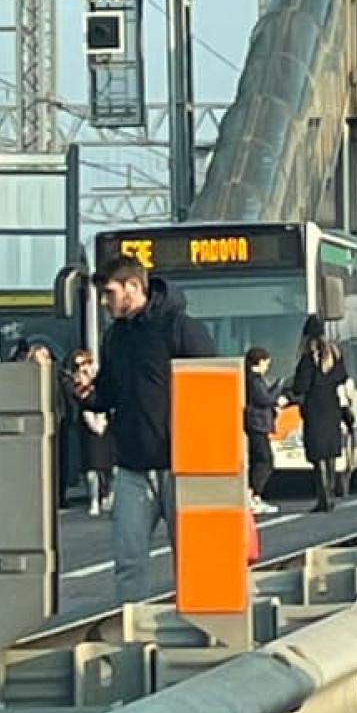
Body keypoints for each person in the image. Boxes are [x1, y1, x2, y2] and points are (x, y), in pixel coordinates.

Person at [85, 255, 215, 603]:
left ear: (133, 287)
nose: (105, 301)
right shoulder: (115, 337)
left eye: (109, 292)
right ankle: (131, 632)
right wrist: (87, 395)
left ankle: (201, 625)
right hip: (132, 466)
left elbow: (214, 387)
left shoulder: (179, 327)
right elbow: (109, 393)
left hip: (183, 465)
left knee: (193, 559)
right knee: (128, 560)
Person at [291, 320, 349, 513]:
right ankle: (330, 495)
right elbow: (342, 378)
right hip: (332, 408)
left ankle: (323, 497)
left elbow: (300, 386)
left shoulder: (309, 358)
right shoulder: (334, 354)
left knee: (317, 456)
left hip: (314, 409)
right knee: (330, 453)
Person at [65, 350, 113, 516]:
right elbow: (78, 398)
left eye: (86, 363)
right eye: (78, 365)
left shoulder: (99, 379)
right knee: (92, 464)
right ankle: (94, 498)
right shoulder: (73, 383)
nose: (83, 367)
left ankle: (107, 494)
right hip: (87, 426)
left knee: (108, 463)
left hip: (104, 423)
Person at [243, 347, 283, 516]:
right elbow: (264, 399)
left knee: (261, 460)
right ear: (259, 363)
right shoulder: (253, 380)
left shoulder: (252, 379)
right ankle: (253, 495)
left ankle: (253, 494)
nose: (267, 367)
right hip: (257, 424)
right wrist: (278, 386)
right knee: (264, 460)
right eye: (266, 363)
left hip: (257, 423)